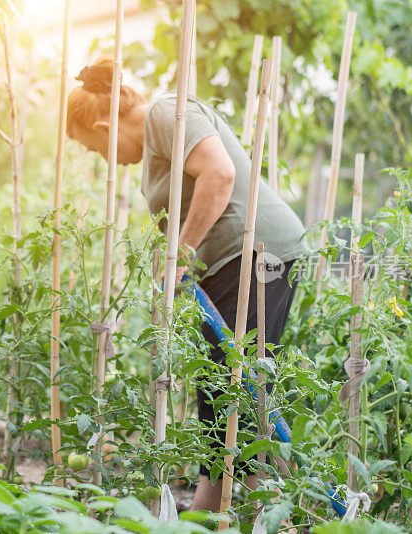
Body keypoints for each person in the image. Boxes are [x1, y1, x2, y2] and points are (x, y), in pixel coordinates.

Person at [66, 58, 307, 511]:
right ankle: (213, 504)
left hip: (258, 253)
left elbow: (221, 175)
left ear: (103, 125)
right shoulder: (157, 139)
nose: (103, 158)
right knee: (221, 382)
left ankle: (260, 508)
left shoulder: (166, 113)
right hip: (229, 262)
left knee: (238, 382)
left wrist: (180, 251)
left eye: (95, 148)